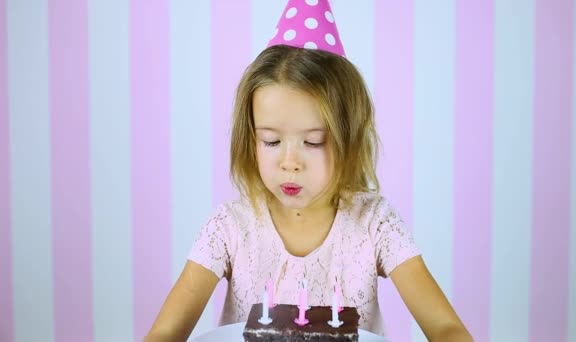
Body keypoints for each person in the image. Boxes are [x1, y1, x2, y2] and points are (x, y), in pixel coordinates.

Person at [145, 1, 472, 341]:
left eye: (313, 142)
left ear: (350, 138)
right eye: (271, 141)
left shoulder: (375, 224)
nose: (290, 162)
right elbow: (166, 331)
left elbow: (447, 328)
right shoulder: (229, 229)